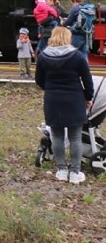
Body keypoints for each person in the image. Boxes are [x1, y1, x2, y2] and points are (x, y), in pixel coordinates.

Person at [35, 26, 94, 185]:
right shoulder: (77, 56)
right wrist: (88, 98)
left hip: (53, 99)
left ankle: (61, 170)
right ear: (68, 38)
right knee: (75, 137)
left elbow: (39, 80)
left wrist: (51, 89)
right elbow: (88, 81)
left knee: (57, 136)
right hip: (74, 99)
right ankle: (75, 172)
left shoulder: (43, 57)